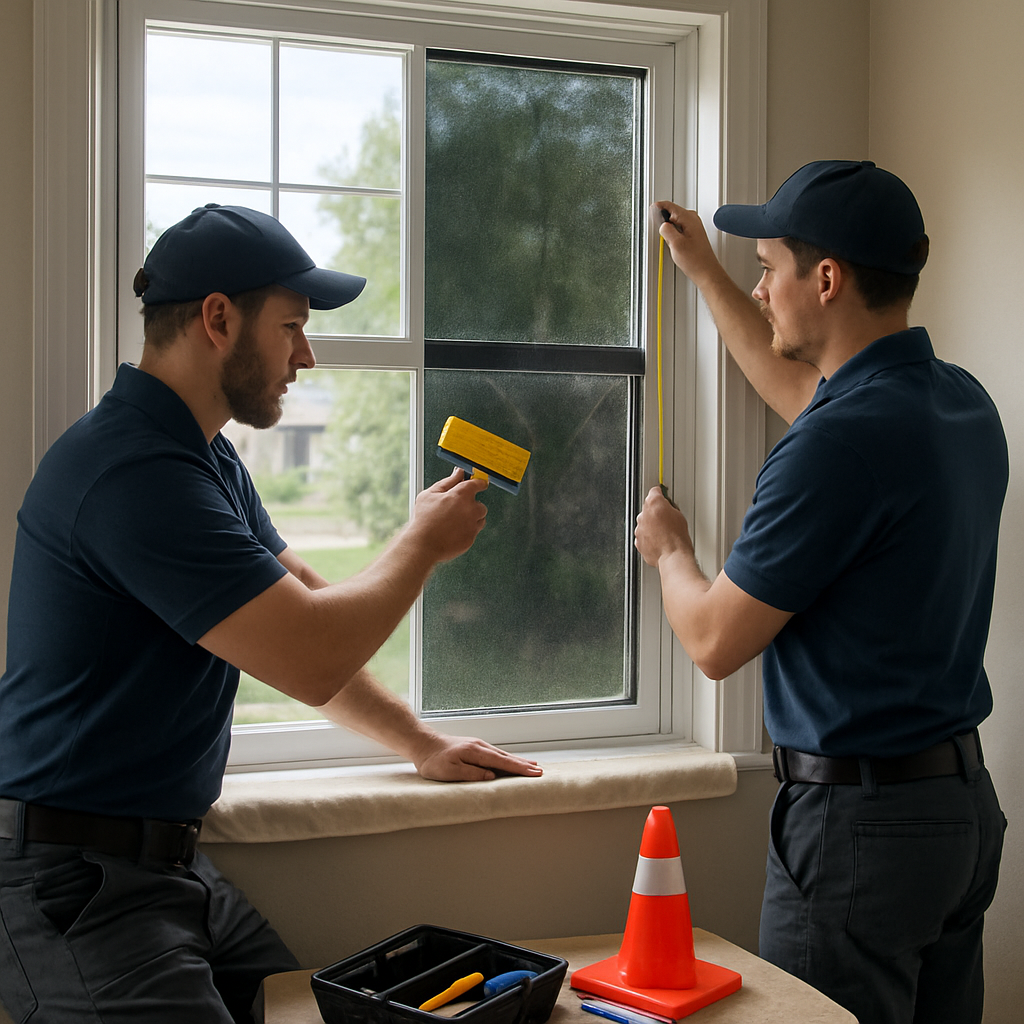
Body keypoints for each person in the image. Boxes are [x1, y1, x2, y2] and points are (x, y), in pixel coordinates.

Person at [0, 204, 541, 1024]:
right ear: (218, 318)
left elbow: (306, 612)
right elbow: (311, 655)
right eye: (291, 326)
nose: (306, 355)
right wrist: (421, 546)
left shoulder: (203, 457)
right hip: (70, 880)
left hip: (163, 867)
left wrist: (420, 742)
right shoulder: (132, 473)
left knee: (315, 1009)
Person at [635, 161, 1007, 1024]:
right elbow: (801, 391)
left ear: (827, 278)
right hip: (957, 815)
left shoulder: (836, 447)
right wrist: (708, 276)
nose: (761, 290)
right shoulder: (957, 405)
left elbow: (714, 642)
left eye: (770, 268)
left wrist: (670, 553)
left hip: (858, 835)